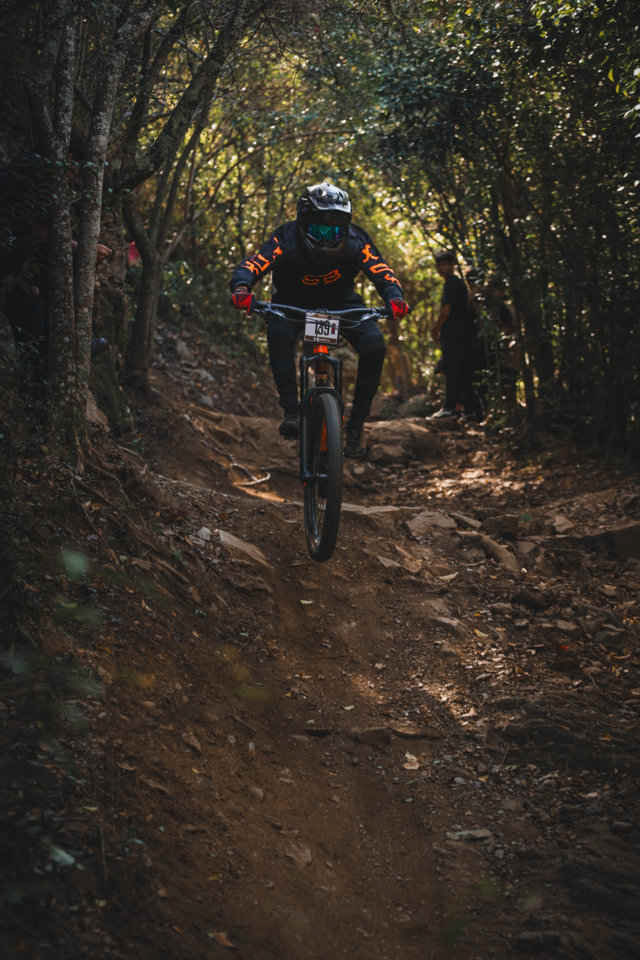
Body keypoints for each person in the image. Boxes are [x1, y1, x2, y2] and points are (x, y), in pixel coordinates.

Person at [229, 181, 409, 457]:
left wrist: (394, 297)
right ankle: (291, 411)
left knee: (374, 345)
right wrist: (242, 287)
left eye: (335, 230)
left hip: (342, 303)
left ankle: (355, 426)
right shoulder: (286, 238)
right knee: (278, 334)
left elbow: (381, 270)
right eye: (320, 229)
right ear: (303, 222)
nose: (327, 237)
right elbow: (255, 263)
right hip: (291, 303)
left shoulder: (356, 240)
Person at [430, 249, 476, 419]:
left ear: (452, 265)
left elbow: (446, 310)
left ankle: (451, 408)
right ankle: (468, 409)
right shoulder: (457, 283)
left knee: (453, 369)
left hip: (455, 334)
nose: (442, 268)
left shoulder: (452, 283)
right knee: (461, 370)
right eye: (439, 265)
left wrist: (436, 328)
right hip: (462, 334)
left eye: (445, 264)